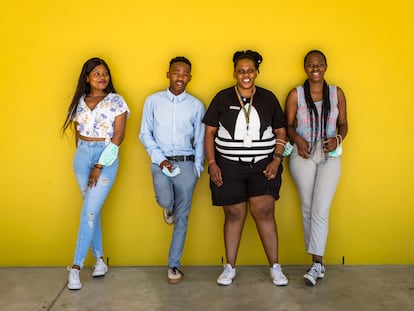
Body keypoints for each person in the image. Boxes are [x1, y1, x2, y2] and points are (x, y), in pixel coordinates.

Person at [203, 50, 288, 286]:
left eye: (250, 70)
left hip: (264, 166)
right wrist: (212, 163)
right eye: (241, 70)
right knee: (233, 214)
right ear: (234, 73)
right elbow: (209, 133)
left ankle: (275, 268)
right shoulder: (222, 97)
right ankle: (229, 267)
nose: (246, 74)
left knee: (264, 212)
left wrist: (276, 159)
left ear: (257, 73)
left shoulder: (268, 98)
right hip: (228, 166)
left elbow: (281, 131)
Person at [62, 57, 130, 290]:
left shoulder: (116, 101)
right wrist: (84, 159)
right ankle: (100, 260)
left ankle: (76, 267)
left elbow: (119, 137)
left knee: (88, 213)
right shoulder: (79, 102)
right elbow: (78, 134)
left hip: (106, 158)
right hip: (82, 158)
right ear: (87, 78)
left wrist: (99, 165)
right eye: (97, 74)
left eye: (105, 73)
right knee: (93, 210)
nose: (102, 77)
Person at [139, 56, 205, 284]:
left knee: (183, 217)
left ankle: (173, 266)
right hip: (161, 161)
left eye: (185, 73)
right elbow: (144, 133)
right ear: (168, 74)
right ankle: (168, 208)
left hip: (186, 163)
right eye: (176, 72)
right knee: (166, 200)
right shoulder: (153, 101)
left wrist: (197, 167)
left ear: (190, 77)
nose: (181, 77)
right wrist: (161, 160)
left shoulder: (196, 105)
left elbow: (200, 138)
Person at [285, 50, 348, 286]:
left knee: (321, 208)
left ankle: (316, 263)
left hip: (330, 153)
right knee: (308, 207)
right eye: (310, 64)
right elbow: (287, 125)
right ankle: (317, 263)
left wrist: (338, 139)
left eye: (319, 64)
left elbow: (343, 124)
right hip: (303, 153)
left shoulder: (337, 93)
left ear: (326, 66)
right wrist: (297, 140)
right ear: (305, 68)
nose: (315, 68)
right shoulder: (296, 94)